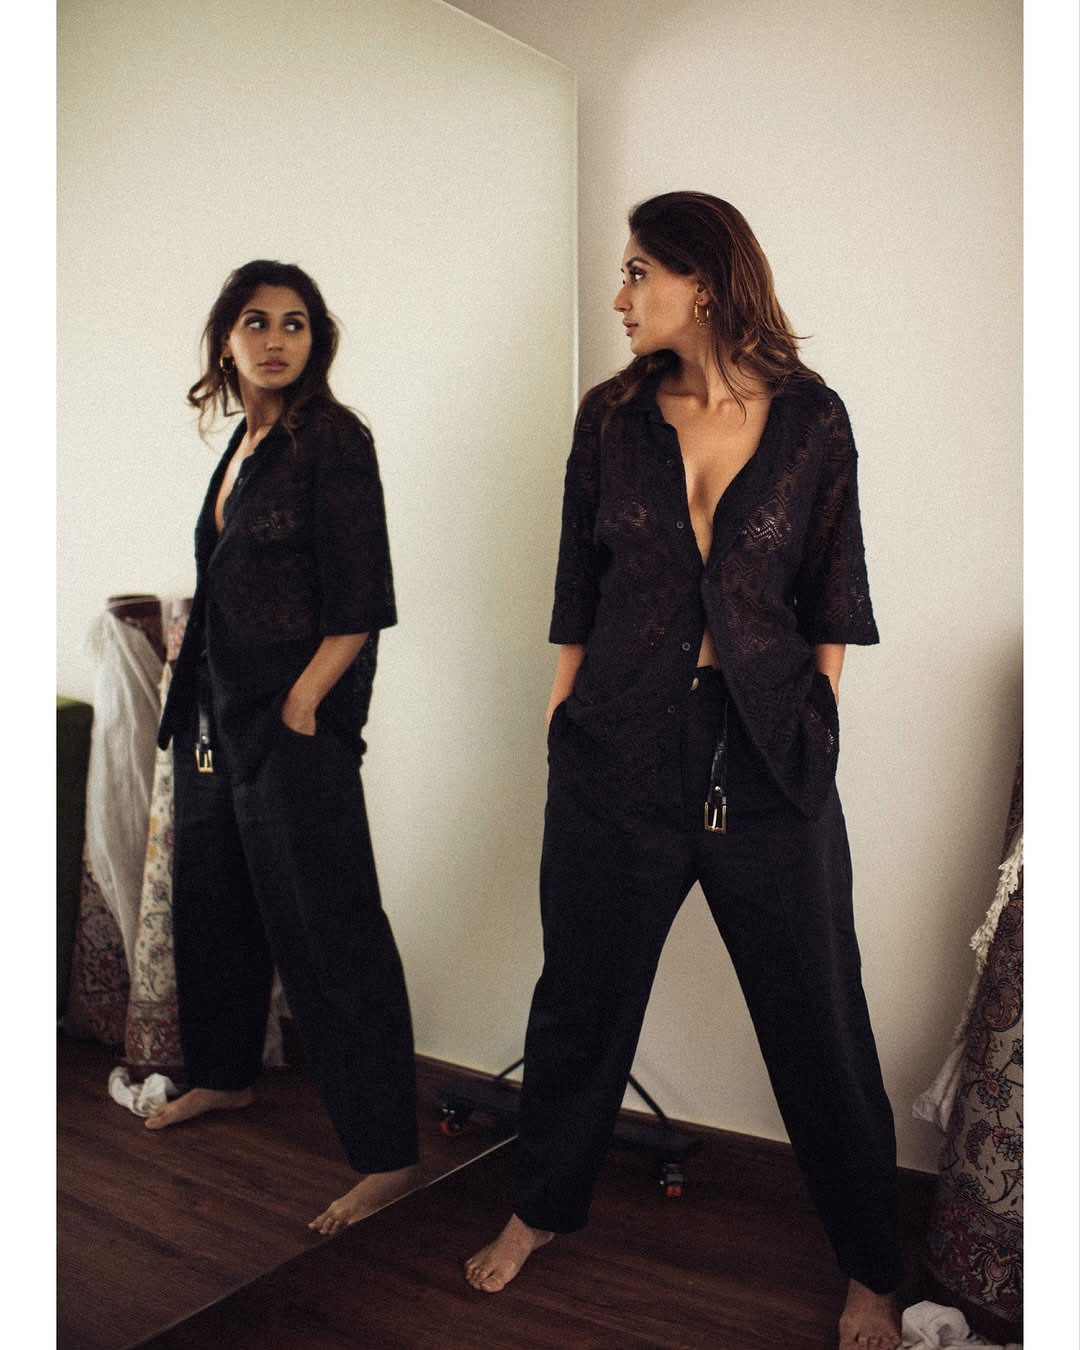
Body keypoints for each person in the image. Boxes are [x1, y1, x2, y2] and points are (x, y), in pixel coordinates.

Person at [465, 193, 902, 1350]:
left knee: (820, 1017)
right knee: (581, 1000)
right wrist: (563, 716)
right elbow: (578, 585)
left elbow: (835, 594)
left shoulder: (812, 421)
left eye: (637, 272)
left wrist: (817, 720)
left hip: (767, 756)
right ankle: (539, 1207)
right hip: (616, 746)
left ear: (701, 281)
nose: (620, 296)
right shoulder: (611, 420)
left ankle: (871, 1265)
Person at [150, 260, 419, 1236]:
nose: (275, 340)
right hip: (217, 714)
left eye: (294, 323)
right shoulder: (243, 442)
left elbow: (363, 597)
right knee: (215, 902)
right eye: (256, 322)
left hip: (294, 724)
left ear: (317, 339)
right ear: (226, 339)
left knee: (331, 927)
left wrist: (305, 703)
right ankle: (224, 1074)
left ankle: (388, 1155)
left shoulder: (332, 439)